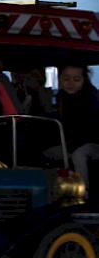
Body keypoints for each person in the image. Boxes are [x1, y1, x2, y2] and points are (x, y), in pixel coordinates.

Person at [50, 65, 99, 195]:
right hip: (73, 142)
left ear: (84, 81)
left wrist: (71, 146)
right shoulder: (62, 97)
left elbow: (90, 129)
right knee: (48, 153)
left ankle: (83, 192)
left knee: (79, 155)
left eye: (76, 79)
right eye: (66, 79)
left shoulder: (91, 99)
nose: (70, 83)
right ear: (60, 79)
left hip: (92, 143)